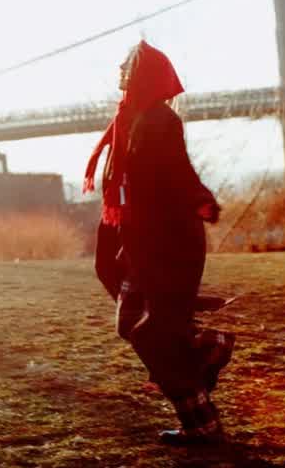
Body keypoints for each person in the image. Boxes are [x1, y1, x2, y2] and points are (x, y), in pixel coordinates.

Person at [84, 40, 235, 445]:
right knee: (135, 325)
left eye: (127, 64)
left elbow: (177, 170)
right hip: (142, 242)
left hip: (168, 244)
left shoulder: (159, 120)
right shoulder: (129, 118)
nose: (119, 68)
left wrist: (199, 199)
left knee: (153, 336)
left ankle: (203, 423)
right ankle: (207, 348)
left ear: (142, 75)